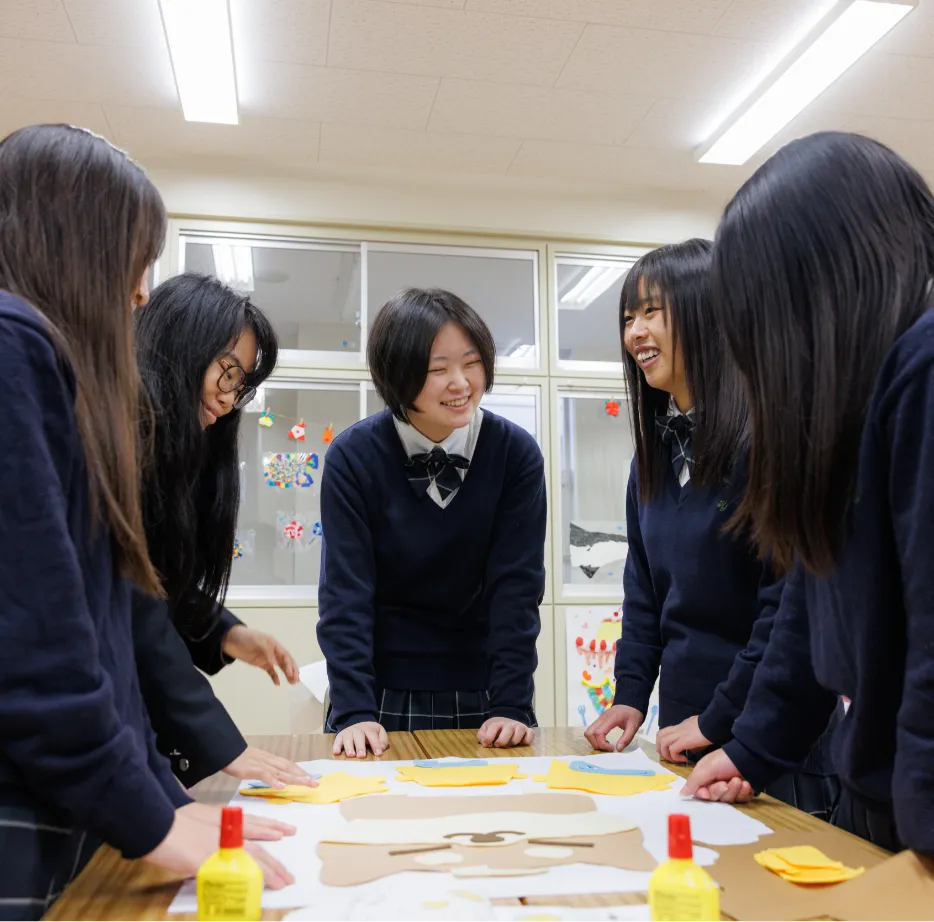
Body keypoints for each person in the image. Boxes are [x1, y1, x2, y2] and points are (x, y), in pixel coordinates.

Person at [0, 124, 291, 922]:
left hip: (70, 782)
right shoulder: (17, 346)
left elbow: (113, 611)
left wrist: (162, 796)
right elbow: (51, 641)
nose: (138, 294)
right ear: (73, 240)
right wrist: (157, 807)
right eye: (134, 263)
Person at [682, 132, 934, 854]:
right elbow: (807, 588)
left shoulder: (923, 365)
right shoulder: (858, 393)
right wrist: (756, 746)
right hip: (881, 798)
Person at [583, 240, 837, 818]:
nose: (635, 333)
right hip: (685, 740)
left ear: (706, 311)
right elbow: (645, 595)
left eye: (652, 311)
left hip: (772, 745)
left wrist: (720, 718)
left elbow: (783, 612)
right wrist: (629, 698)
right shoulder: (652, 458)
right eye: (628, 318)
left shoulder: (770, 442)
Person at [317, 288, 546, 758]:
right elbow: (346, 594)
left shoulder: (515, 454)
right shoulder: (353, 457)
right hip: (377, 695)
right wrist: (354, 710)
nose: (460, 382)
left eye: (471, 362)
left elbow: (516, 589)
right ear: (395, 375)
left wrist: (512, 703)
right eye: (437, 369)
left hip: (487, 695)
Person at [134, 272, 316, 790]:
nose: (230, 399)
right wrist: (221, 742)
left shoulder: (172, 452)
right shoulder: (115, 442)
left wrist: (226, 633)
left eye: (242, 385)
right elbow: (129, 605)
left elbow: (156, 583)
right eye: (228, 372)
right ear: (179, 344)